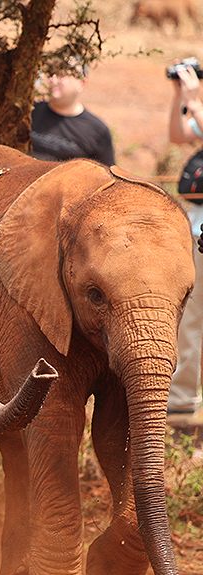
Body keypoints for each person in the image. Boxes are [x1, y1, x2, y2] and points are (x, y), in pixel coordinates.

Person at [167, 61, 203, 416]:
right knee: (190, 315)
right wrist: (179, 98)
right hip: (195, 228)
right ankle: (180, 401)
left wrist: (194, 102)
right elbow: (178, 135)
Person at [30, 61, 115, 165]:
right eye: (52, 73)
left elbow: (106, 176)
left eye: (62, 75)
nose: (53, 80)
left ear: (82, 82)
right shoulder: (29, 112)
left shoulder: (97, 130)